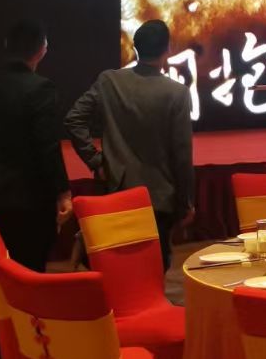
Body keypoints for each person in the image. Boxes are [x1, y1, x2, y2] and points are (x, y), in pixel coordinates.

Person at [0, 20, 72, 359]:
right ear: (41, 50)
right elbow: (47, 148)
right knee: (27, 277)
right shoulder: (40, 89)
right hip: (29, 198)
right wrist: (62, 191)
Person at [64, 20, 194, 270]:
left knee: (115, 265)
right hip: (159, 198)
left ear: (135, 48)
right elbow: (182, 155)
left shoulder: (109, 81)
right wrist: (186, 202)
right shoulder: (176, 93)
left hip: (117, 189)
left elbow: (74, 119)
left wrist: (96, 160)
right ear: (168, 49)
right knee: (153, 269)